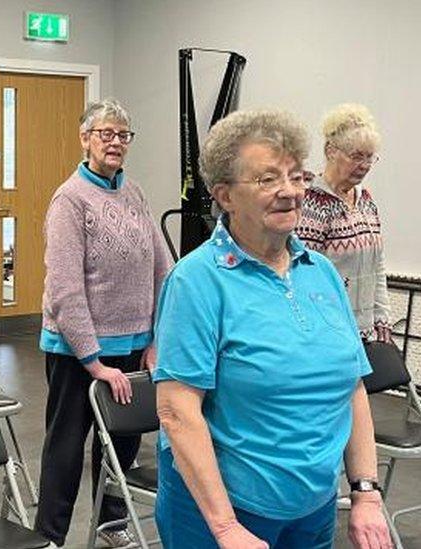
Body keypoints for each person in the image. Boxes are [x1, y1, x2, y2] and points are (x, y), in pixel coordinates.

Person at [153, 109, 391, 549]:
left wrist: (365, 493)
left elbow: (351, 388)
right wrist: (225, 529)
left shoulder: (320, 271)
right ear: (224, 195)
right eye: (267, 180)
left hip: (313, 508)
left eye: (297, 177)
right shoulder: (197, 280)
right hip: (224, 512)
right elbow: (177, 412)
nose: (289, 192)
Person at [34, 98, 172, 547]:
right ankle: (51, 536)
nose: (115, 142)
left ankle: (111, 525)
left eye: (123, 135)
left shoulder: (133, 192)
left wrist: (155, 338)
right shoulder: (69, 199)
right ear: (85, 139)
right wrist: (93, 360)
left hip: (133, 343)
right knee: (66, 448)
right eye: (105, 133)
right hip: (76, 351)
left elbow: (162, 266)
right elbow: (65, 289)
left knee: (122, 443)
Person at [296, 104, 391, 342]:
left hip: (366, 332)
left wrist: (382, 317)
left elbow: (377, 266)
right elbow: (304, 275)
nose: (365, 165)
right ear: (331, 151)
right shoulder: (312, 203)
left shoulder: (366, 201)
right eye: (357, 156)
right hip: (328, 331)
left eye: (370, 157)